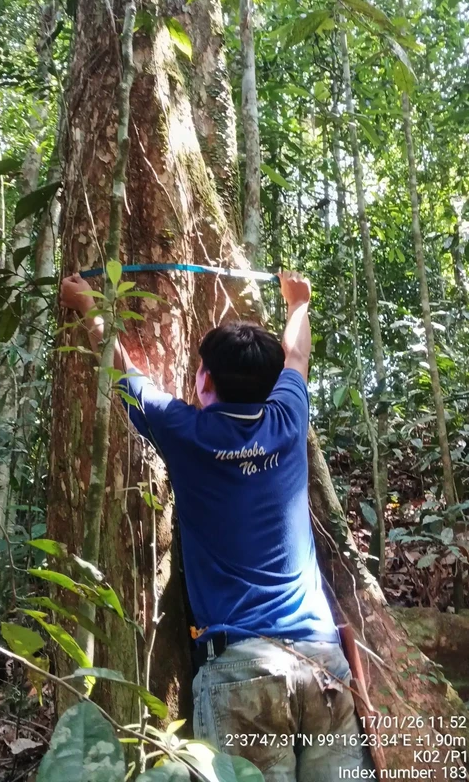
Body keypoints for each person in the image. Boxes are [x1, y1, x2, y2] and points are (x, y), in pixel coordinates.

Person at [59, 269, 373, 782]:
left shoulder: (184, 430)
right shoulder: (287, 420)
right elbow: (296, 357)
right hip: (322, 667)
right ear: (272, 388)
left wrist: (89, 304)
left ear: (203, 379)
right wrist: (299, 305)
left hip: (239, 673)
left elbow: (122, 371)